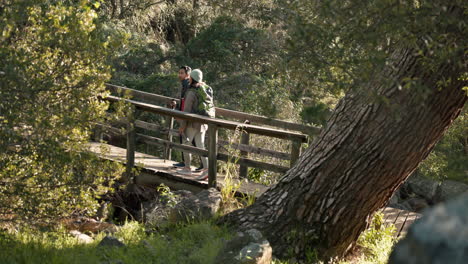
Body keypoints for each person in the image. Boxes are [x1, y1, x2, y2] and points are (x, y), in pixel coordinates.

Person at [177, 69, 210, 180]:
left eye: (190, 77)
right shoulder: (204, 89)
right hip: (203, 123)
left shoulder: (191, 92)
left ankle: (187, 168)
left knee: (186, 144)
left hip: (192, 124)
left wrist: (182, 126)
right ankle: (207, 169)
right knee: (201, 146)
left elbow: (186, 111)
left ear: (192, 78)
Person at [172, 66, 203, 171]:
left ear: (188, 75)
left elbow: (187, 103)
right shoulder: (189, 85)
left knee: (187, 140)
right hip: (195, 119)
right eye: (179, 72)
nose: (179, 75)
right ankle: (203, 166)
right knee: (196, 143)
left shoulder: (188, 87)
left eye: (182, 73)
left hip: (189, 118)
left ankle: (186, 165)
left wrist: (182, 118)